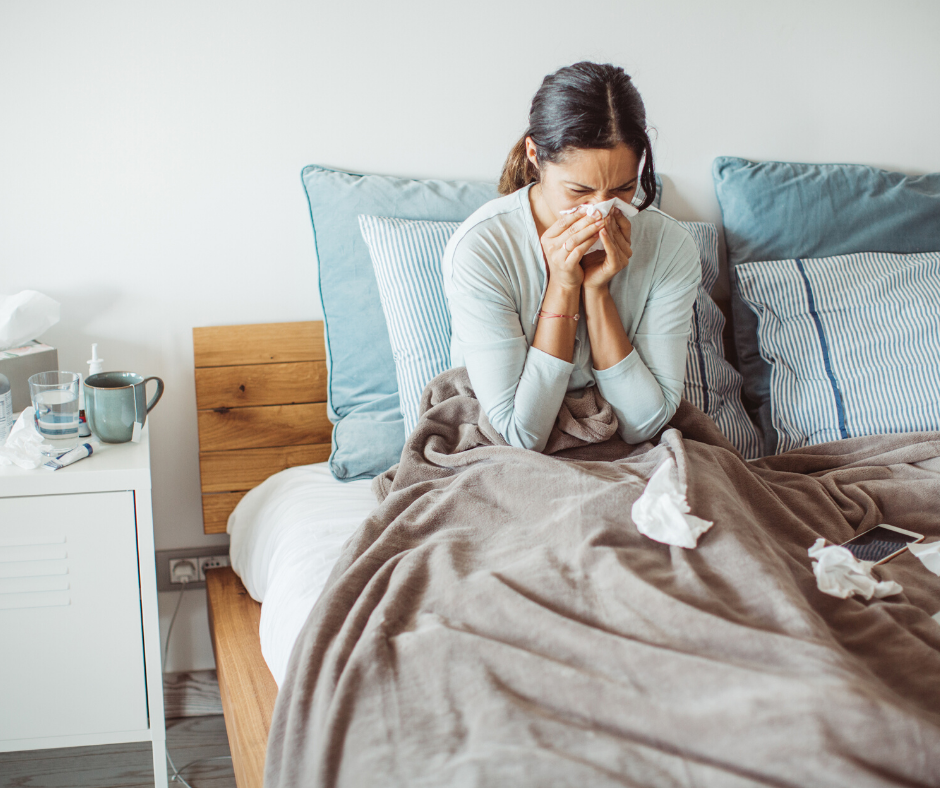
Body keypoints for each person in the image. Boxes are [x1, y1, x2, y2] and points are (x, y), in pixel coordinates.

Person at [442, 61, 701, 452]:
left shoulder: (670, 246)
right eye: (580, 191)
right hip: (506, 454)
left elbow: (645, 423)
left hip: (628, 451)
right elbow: (520, 435)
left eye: (624, 188)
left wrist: (597, 294)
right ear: (534, 154)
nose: (602, 209)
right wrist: (563, 286)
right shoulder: (483, 248)